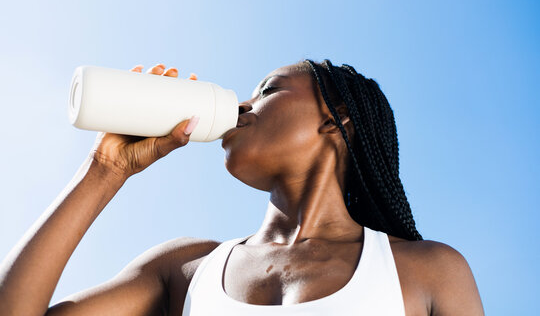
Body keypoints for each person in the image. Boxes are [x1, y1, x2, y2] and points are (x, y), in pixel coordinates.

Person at [0, 60, 484, 315]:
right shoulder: (187, 269)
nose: (244, 106)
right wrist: (105, 169)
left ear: (337, 121)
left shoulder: (426, 271)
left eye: (268, 89)